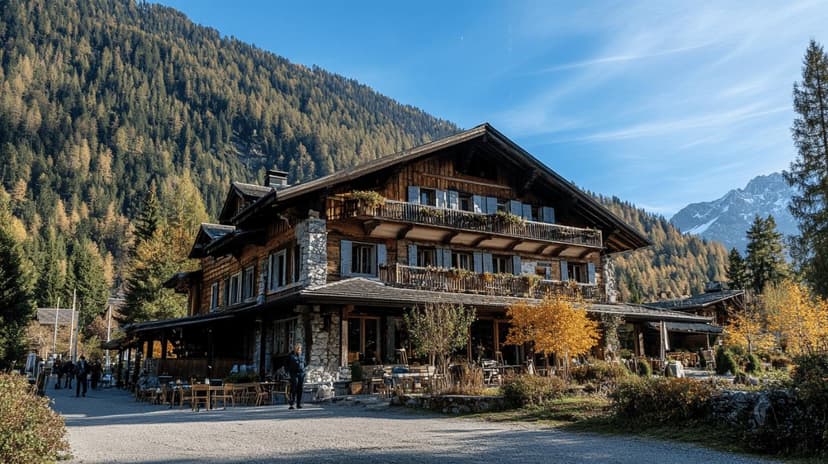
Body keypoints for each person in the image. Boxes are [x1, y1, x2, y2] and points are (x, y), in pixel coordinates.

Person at [287, 344, 306, 410]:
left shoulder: (302, 356)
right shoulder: (291, 355)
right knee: (294, 388)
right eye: (298, 348)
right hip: (294, 373)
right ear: (295, 349)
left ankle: (298, 404)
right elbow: (286, 364)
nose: (299, 350)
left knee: (300, 389)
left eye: (300, 349)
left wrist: (304, 371)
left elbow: (304, 364)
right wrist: (288, 372)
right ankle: (291, 404)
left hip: (301, 374)